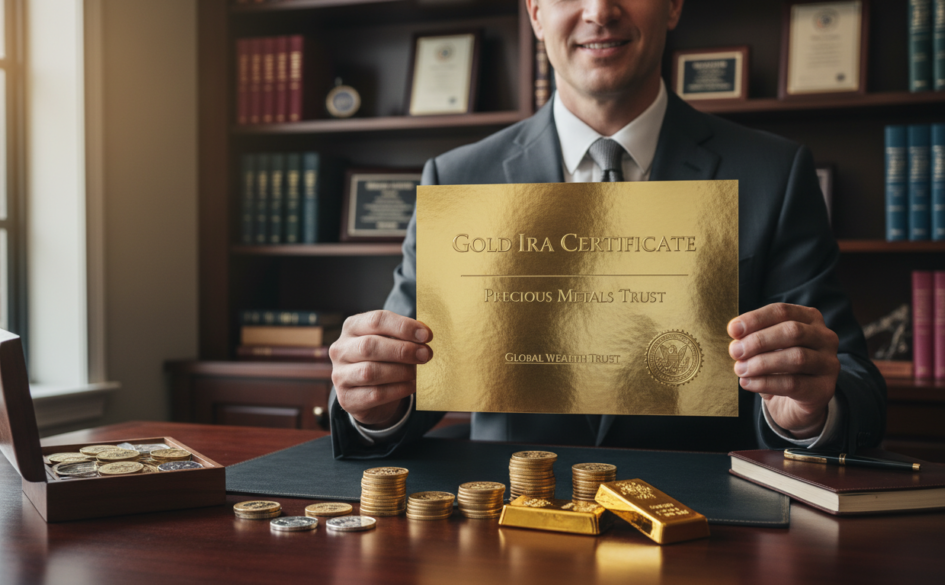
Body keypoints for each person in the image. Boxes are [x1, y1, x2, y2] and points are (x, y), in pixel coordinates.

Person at [327, 0, 886, 458]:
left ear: (673, 6)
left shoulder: (774, 174)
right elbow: (405, 377)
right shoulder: (457, 179)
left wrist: (807, 412)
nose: (600, 10)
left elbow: (854, 379)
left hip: (710, 523)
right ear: (535, 12)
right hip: (509, 520)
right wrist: (377, 404)